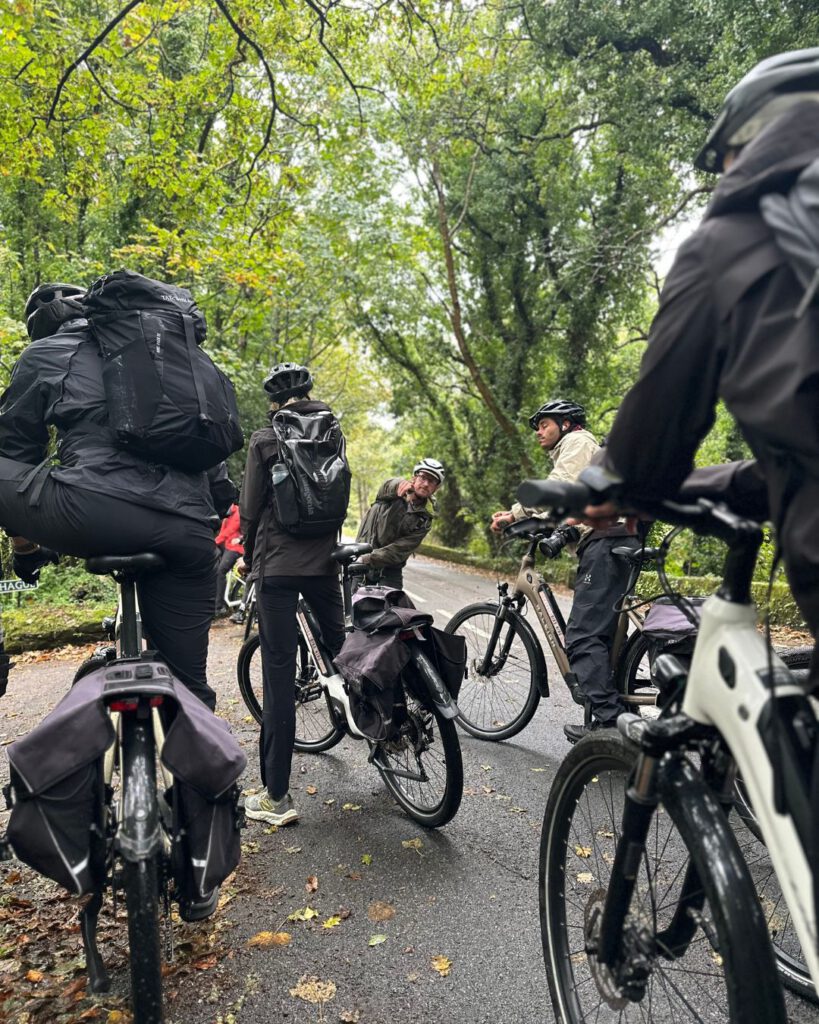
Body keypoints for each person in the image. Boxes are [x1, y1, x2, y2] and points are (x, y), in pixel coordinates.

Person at [585, 50, 819, 694]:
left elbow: (650, 444)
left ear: (754, 135)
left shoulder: (734, 237)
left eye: (725, 161)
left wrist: (616, 484)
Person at [0, 282, 237, 710]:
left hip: (94, 512)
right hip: (189, 530)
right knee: (190, 689)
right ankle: (208, 771)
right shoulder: (169, 361)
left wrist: (26, 546)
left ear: (43, 326)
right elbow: (216, 475)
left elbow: (16, 449)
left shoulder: (47, 353)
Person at [492, 399, 639, 742]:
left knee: (583, 636)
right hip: (615, 537)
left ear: (567, 423)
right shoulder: (585, 449)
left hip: (606, 541)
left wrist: (514, 516)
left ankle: (607, 725)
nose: (539, 432)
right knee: (602, 635)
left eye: (544, 424)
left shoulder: (577, 442)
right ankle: (616, 711)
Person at [239, 362, 347, 827]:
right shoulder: (334, 432)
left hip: (277, 568)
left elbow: (248, 509)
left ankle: (276, 796)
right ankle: (389, 732)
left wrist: (247, 555)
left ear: (274, 402)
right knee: (344, 651)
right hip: (326, 563)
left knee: (279, 674)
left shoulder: (266, 439)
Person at [355, 458, 444, 589]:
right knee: (352, 605)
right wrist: (398, 486)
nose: (425, 484)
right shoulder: (392, 493)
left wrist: (367, 559)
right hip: (361, 557)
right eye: (423, 477)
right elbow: (387, 487)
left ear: (436, 488)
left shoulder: (425, 519)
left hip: (389, 570)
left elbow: (399, 550)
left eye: (431, 481)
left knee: (393, 607)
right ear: (414, 477)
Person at [213, 503, 244, 616]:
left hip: (237, 548)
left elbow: (229, 532)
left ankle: (219, 607)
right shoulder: (226, 517)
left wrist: (214, 542)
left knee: (221, 572)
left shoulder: (238, 513)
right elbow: (222, 534)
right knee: (215, 568)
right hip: (227, 546)